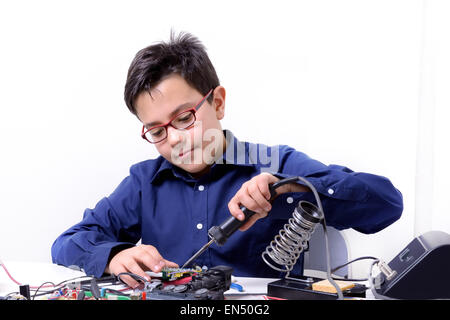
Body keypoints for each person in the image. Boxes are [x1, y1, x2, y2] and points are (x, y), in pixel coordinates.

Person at [51, 32, 403, 288]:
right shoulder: (145, 182)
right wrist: (113, 256)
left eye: (184, 117)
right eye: (156, 131)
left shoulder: (272, 162)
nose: (173, 138)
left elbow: (387, 204)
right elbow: (68, 242)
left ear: (217, 102)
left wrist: (291, 187)